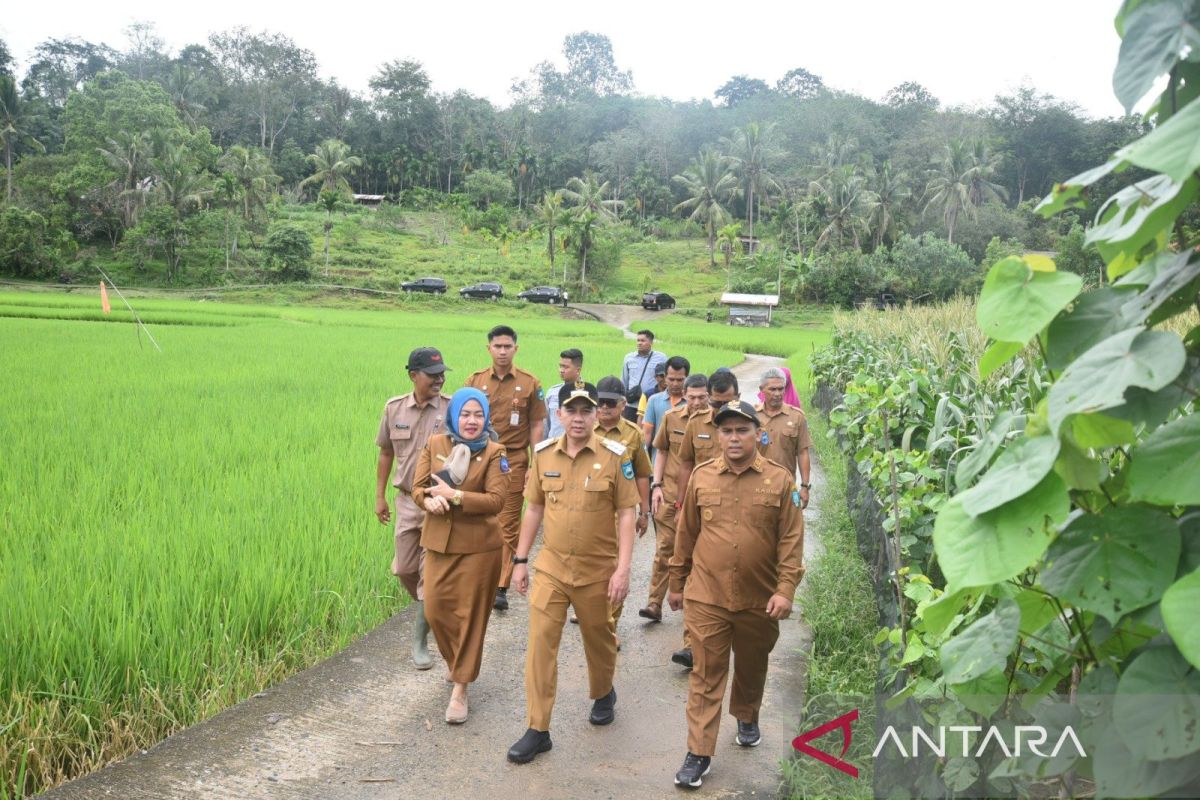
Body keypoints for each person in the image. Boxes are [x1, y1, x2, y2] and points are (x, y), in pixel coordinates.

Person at [668, 400, 805, 789]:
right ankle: (699, 752)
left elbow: (792, 541)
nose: (732, 438)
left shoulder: (780, 481)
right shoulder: (701, 477)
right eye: (725, 431)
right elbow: (686, 534)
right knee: (706, 674)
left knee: (751, 664)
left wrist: (786, 590)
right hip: (707, 595)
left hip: (758, 599)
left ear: (757, 434)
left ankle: (747, 713)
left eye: (741, 430)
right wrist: (676, 583)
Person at [506, 382, 639, 764]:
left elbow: (627, 513)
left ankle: (602, 691)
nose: (578, 418)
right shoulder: (544, 455)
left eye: (586, 411)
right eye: (572, 411)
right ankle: (537, 728)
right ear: (559, 415)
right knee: (540, 644)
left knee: (599, 639)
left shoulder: (616, 456)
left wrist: (623, 570)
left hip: (598, 569)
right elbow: (532, 509)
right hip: (552, 567)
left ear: (597, 415)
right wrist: (519, 561)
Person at [411, 388, 508, 724]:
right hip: (440, 543)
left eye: (477, 415)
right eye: (465, 414)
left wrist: (455, 496)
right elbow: (418, 486)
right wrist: (428, 500)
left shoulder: (496, 452)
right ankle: (456, 664)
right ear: (454, 416)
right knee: (436, 610)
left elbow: (497, 501)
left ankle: (461, 688)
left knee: (471, 619)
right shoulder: (436, 444)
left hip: (480, 548)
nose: (471, 421)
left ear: (485, 418)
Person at [374, 347, 452, 670]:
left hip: (438, 503)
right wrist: (379, 496)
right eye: (432, 375)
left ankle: (420, 640)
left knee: (428, 576)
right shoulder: (394, 409)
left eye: (442, 374)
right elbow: (386, 454)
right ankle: (433, 608)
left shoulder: (451, 409)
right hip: (406, 501)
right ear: (413, 376)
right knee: (404, 569)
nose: (440, 379)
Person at [464, 325, 547, 611]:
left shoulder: (530, 383)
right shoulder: (474, 381)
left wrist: (534, 464)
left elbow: (537, 424)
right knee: (476, 517)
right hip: (478, 457)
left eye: (507, 346)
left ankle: (500, 585)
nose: (502, 351)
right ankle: (476, 576)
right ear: (489, 348)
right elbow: (463, 418)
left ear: (516, 349)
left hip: (512, 459)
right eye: (497, 346)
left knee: (507, 522)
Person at [668, 369, 741, 670]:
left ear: (737, 397)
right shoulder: (696, 423)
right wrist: (683, 502)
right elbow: (686, 463)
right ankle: (692, 644)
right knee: (697, 574)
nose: (721, 410)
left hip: (736, 514)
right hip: (702, 510)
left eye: (727, 402)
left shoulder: (747, 426)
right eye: (716, 403)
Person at [641, 374, 708, 633]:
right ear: (684, 396)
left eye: (702, 397)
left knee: (697, 552)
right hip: (669, 495)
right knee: (665, 548)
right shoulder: (671, 418)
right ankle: (654, 603)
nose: (697, 402)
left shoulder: (716, 424)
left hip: (701, 501)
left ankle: (692, 603)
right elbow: (661, 453)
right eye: (692, 397)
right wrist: (656, 486)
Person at [592, 376, 653, 637]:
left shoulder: (633, 434)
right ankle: (592, 609)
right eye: (600, 403)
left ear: (622, 404)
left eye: (610, 403)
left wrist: (645, 512)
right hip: (589, 508)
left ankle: (610, 625)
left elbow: (642, 474)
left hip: (621, 511)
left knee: (617, 565)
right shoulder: (585, 429)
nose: (604, 408)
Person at [756, 367, 813, 508]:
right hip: (756, 486)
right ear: (762, 389)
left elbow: (802, 453)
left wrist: (805, 486)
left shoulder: (797, 417)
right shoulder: (752, 417)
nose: (777, 394)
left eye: (781, 389)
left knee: (792, 527)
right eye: (772, 389)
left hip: (787, 487)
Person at [641, 355, 690, 461]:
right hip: (658, 465)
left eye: (680, 380)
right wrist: (641, 459)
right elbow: (647, 433)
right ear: (665, 377)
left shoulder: (693, 403)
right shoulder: (654, 400)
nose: (675, 384)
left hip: (685, 466)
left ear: (687, 378)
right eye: (671, 379)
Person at [621, 329, 667, 422]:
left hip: (651, 403)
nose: (639, 343)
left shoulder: (661, 358)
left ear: (651, 342)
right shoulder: (629, 358)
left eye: (643, 340)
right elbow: (624, 380)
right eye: (638, 340)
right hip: (632, 403)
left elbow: (666, 379)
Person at [542, 348, 583, 442]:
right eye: (560, 366)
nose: (561, 370)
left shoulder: (588, 393)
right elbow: (545, 424)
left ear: (578, 370)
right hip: (553, 446)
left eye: (566, 367)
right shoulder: (552, 393)